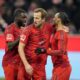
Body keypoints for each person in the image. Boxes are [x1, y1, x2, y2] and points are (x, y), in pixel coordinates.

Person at [18, 8, 53, 80]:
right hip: (27, 64)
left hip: (40, 65)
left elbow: (59, 29)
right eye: (34, 18)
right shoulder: (28, 30)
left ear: (43, 19)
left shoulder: (49, 28)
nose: (35, 20)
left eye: (37, 18)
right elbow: (20, 48)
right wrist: (26, 65)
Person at [2, 8, 27, 80]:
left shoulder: (23, 30)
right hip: (10, 63)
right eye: (23, 17)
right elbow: (9, 46)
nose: (25, 19)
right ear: (16, 18)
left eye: (26, 17)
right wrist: (21, 38)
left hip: (19, 63)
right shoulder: (10, 29)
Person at [47, 12, 71, 80]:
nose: (53, 19)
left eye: (55, 17)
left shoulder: (61, 34)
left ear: (59, 19)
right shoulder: (56, 31)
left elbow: (61, 51)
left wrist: (46, 51)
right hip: (57, 67)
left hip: (62, 67)